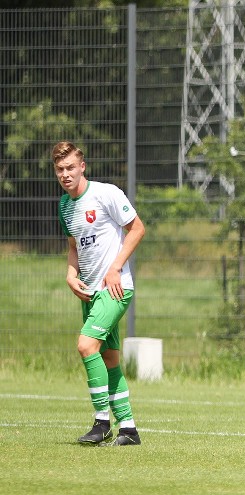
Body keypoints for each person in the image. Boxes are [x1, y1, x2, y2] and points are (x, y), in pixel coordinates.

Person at [54, 141, 146, 447]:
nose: (65, 174)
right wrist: (70, 275)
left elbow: (137, 229)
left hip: (116, 289)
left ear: (82, 166)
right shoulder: (65, 205)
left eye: (70, 167)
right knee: (109, 359)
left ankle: (101, 422)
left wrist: (116, 267)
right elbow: (73, 248)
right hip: (90, 293)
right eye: (59, 169)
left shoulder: (106, 193)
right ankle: (129, 430)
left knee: (85, 345)